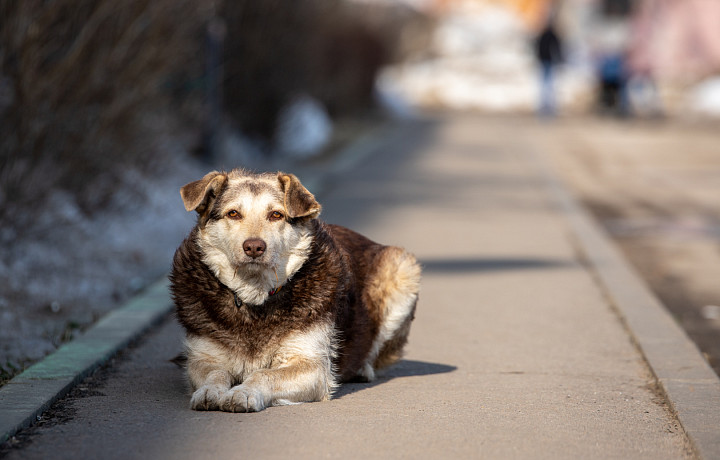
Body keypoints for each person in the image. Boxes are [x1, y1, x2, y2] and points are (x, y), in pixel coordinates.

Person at [535, 19, 564, 117]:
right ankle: (546, 107)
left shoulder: (545, 35)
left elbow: (539, 48)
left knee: (547, 85)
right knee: (547, 85)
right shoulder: (548, 35)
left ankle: (548, 107)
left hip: (548, 62)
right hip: (547, 62)